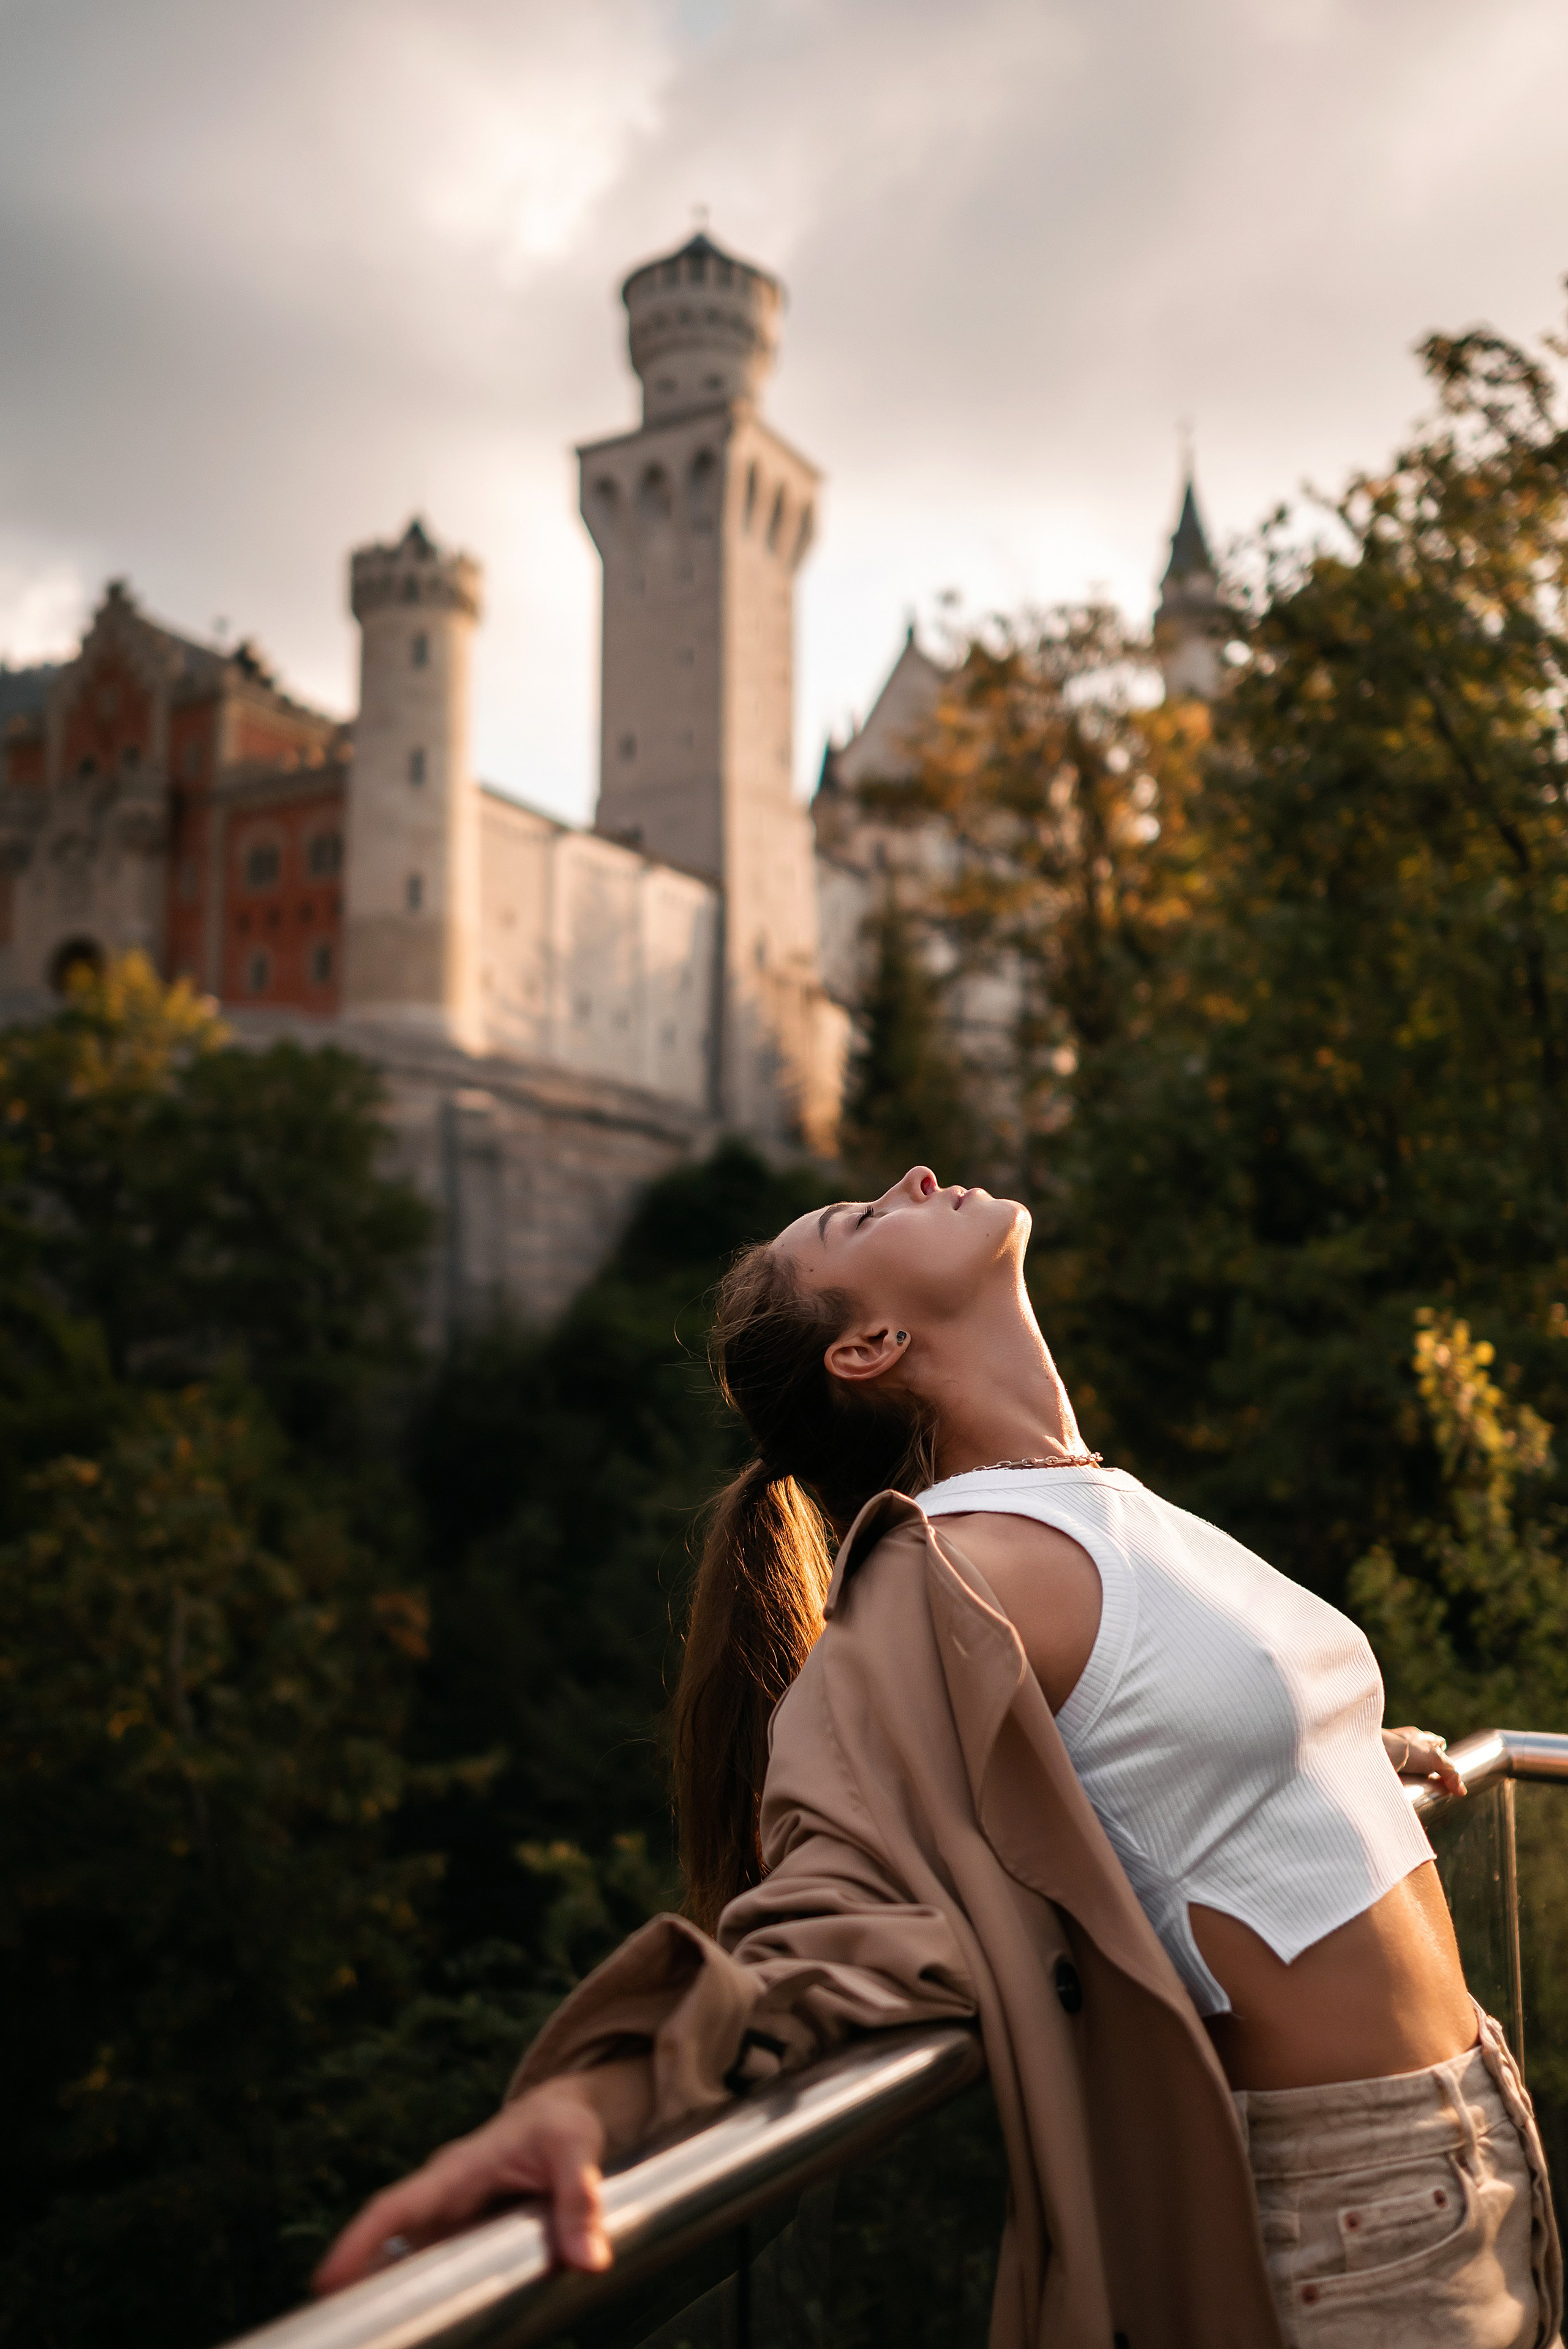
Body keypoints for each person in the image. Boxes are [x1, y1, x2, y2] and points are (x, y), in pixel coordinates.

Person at [318, 1168, 1562, 2348]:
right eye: (861, 1218)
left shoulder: (1090, 1503)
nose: (913, 1178)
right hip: (1349, 2208)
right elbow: (827, 1904)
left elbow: (1163, 1776)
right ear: (864, 1352)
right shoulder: (942, 1574)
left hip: (1470, 2132)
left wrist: (1366, 1758)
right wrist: (596, 2101)